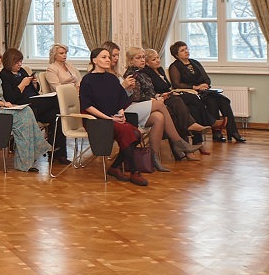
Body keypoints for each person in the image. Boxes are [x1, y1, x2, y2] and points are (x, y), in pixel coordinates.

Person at [0, 49, 52, 172]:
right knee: (22, 120)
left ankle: (29, 156)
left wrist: (10, 105)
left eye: (0, 57)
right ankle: (28, 157)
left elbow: (1, 97)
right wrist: (3, 104)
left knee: (27, 111)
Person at [124, 47, 205, 167]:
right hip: (134, 108)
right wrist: (155, 100)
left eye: (142, 57)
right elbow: (135, 97)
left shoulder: (142, 73)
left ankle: (154, 158)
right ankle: (179, 142)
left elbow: (148, 93)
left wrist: (158, 95)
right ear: (131, 61)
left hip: (147, 105)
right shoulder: (131, 74)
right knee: (165, 105)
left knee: (160, 116)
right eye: (138, 58)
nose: (142, 60)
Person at [79, 48, 147, 186]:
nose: (108, 59)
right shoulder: (87, 80)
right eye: (104, 57)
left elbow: (120, 100)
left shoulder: (112, 78)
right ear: (94, 60)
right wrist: (109, 118)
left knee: (136, 134)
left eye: (109, 57)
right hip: (96, 120)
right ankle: (134, 172)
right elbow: (87, 106)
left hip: (112, 118)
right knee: (127, 132)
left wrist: (120, 113)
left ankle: (115, 167)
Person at [168, 41, 245, 143]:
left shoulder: (195, 62)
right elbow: (177, 84)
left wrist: (205, 85)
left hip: (204, 92)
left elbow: (206, 78)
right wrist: (196, 87)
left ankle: (233, 131)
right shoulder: (175, 66)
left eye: (186, 49)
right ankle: (217, 132)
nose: (186, 51)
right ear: (176, 55)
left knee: (224, 101)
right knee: (212, 102)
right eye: (182, 50)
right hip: (190, 94)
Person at [0, 48, 64, 162]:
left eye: (21, 61)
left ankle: (58, 153)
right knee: (57, 99)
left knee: (57, 115)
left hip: (35, 103)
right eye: (17, 62)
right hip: (22, 106)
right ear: (9, 62)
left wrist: (34, 84)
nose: (20, 64)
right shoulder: (4, 75)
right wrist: (22, 84)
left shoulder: (23, 71)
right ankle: (47, 146)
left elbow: (33, 91)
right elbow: (11, 98)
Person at [143, 48, 213, 153]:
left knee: (193, 107)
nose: (158, 60)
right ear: (147, 63)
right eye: (154, 59)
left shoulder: (160, 69)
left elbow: (167, 86)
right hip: (161, 99)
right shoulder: (146, 73)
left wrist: (171, 92)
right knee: (183, 100)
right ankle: (202, 124)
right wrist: (165, 94)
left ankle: (195, 140)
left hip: (170, 94)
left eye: (158, 58)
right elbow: (152, 91)